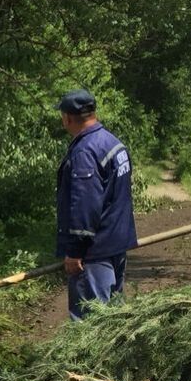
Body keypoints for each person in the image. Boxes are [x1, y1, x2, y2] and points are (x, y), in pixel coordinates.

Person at [55, 89, 136, 320]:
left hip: (94, 253)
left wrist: (75, 251)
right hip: (116, 245)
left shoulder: (85, 151)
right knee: (112, 319)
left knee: (91, 325)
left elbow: (85, 205)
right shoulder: (112, 143)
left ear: (67, 118)